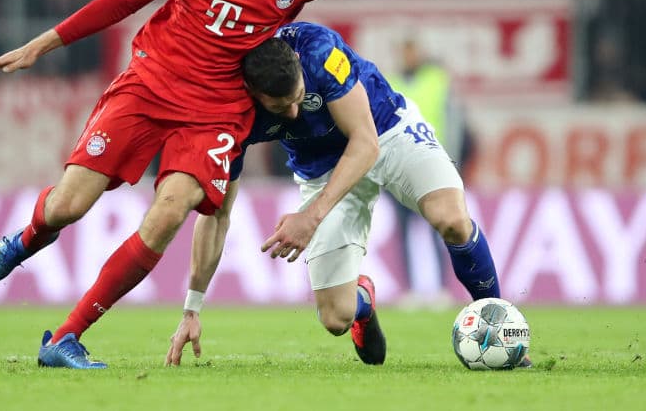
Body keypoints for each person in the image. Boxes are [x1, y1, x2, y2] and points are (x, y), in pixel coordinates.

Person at [0, 0, 335, 368]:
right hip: (151, 82)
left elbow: (268, 28)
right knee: (69, 206)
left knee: (169, 212)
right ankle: (29, 237)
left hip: (217, 109)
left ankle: (66, 338)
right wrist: (42, 45)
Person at [164, 23, 503, 367]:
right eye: (281, 109)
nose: (294, 113)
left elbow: (366, 142)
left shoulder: (319, 51)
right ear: (253, 93)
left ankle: (500, 325)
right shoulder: (231, 113)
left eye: (298, 98)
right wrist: (192, 308)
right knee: (335, 318)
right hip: (321, 169)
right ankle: (363, 303)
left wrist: (311, 218)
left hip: (385, 130)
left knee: (452, 220)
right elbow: (217, 213)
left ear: (297, 65)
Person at [386, 38, 470, 308]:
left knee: (441, 228)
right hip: (400, 170)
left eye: (412, 51)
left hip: (434, 166)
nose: (408, 56)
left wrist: (453, 164)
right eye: (405, 51)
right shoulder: (389, 82)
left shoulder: (437, 79)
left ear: (419, 53)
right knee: (405, 232)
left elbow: (453, 121)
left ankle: (442, 289)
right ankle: (411, 289)